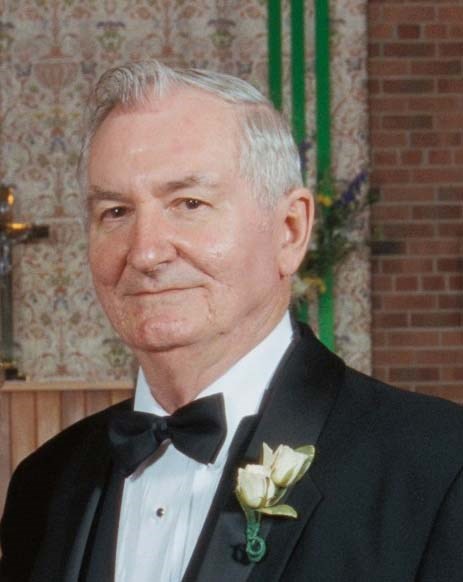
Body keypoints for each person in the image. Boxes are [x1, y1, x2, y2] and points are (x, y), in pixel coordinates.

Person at [1, 60, 463, 582]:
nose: (146, 252)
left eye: (189, 203)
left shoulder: (439, 467)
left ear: (290, 230)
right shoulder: (44, 484)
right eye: (115, 212)